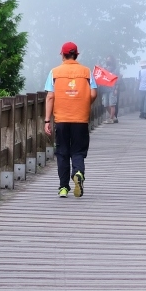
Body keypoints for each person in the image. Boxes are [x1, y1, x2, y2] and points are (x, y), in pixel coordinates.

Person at [44, 41, 98, 198]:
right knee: (78, 151)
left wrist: (47, 120)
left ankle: (63, 187)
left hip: (61, 119)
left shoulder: (54, 72)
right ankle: (78, 172)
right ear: (77, 54)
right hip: (80, 119)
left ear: (62, 55)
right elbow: (93, 93)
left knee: (62, 153)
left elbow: (50, 96)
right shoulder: (87, 72)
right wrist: (84, 103)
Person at [100, 55, 119, 124]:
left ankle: (111, 118)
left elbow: (117, 79)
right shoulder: (104, 68)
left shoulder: (115, 69)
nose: (108, 61)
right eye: (107, 59)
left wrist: (116, 88)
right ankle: (114, 117)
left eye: (109, 60)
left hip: (112, 88)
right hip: (105, 88)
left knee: (112, 104)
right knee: (105, 104)